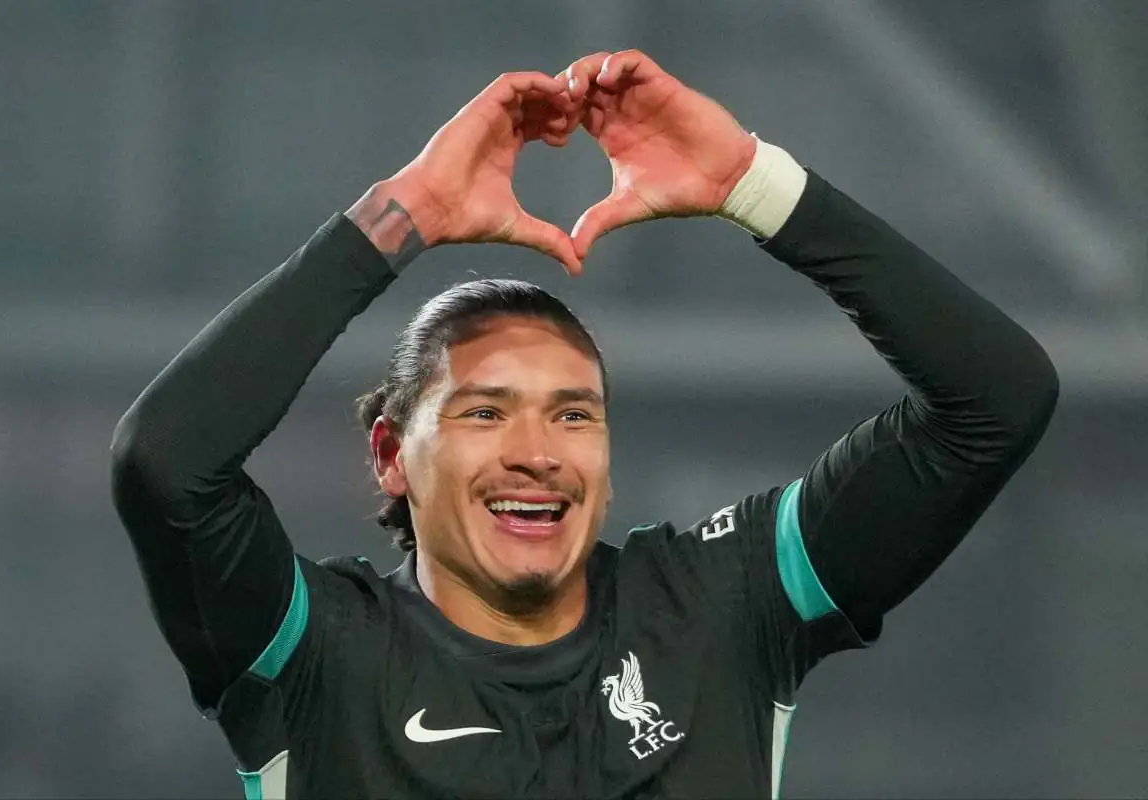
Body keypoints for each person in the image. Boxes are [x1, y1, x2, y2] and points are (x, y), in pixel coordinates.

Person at [111, 50, 1058, 799]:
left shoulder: (720, 609)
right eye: (486, 411)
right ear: (392, 455)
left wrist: (751, 183)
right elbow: (166, 461)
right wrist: (404, 215)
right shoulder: (312, 652)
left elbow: (996, 399)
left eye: (574, 415)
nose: (537, 455)